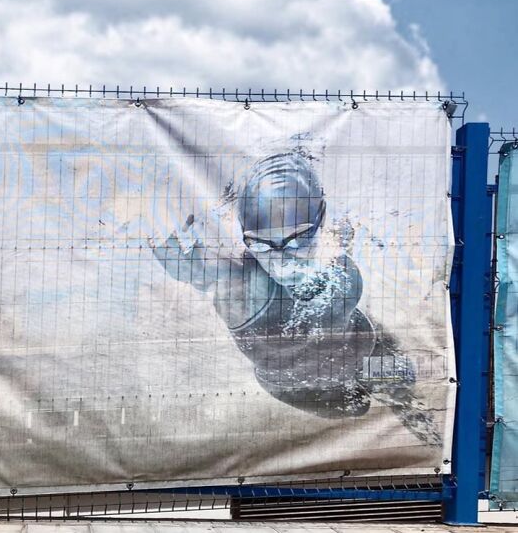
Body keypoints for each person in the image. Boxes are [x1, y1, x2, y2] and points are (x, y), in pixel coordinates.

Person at [151, 151, 440, 444]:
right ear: (245, 237)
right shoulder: (238, 283)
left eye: (299, 239)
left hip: (356, 351)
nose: (281, 260)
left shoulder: (339, 269)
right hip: (301, 389)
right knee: (359, 405)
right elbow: (190, 262)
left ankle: (432, 438)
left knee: (399, 382)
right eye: (261, 244)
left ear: (321, 224)